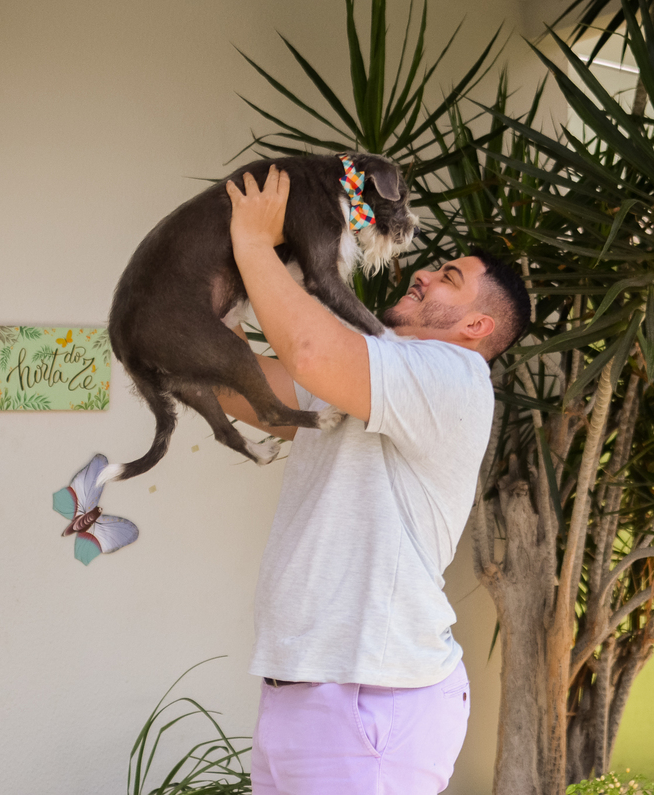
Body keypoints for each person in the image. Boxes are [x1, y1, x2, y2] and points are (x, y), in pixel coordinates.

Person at [217, 164, 531, 794]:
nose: (422, 272)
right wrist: (207, 305)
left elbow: (308, 352)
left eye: (449, 279)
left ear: (477, 327)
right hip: (306, 689)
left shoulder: (451, 375)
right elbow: (242, 389)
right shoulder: (369, 378)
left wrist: (254, 244)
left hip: (371, 701)